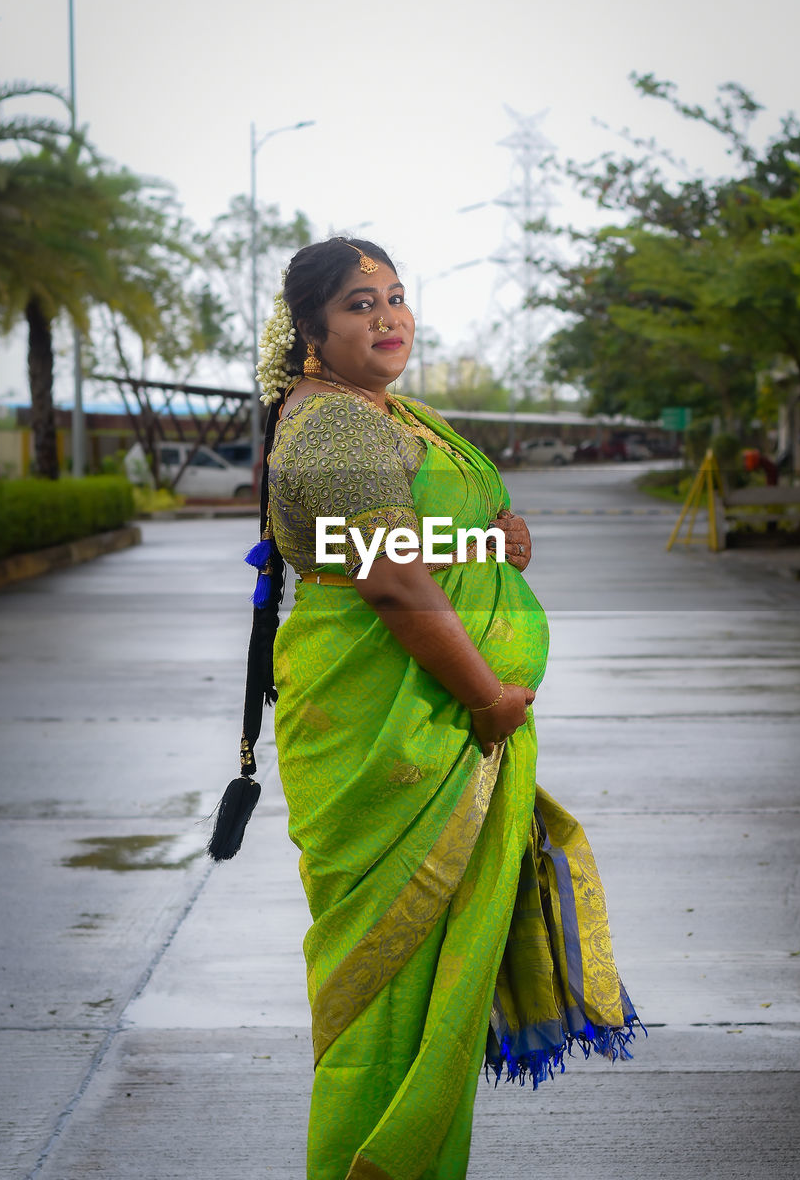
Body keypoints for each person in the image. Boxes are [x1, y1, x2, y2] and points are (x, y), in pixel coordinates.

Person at [224, 236, 641, 1179]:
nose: (388, 318)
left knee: (425, 986)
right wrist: (488, 699)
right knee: (386, 992)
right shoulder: (336, 427)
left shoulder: (384, 413)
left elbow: (405, 540)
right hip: (393, 736)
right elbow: (387, 577)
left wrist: (496, 543)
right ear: (311, 333)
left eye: (397, 298)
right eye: (360, 305)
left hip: (433, 725)